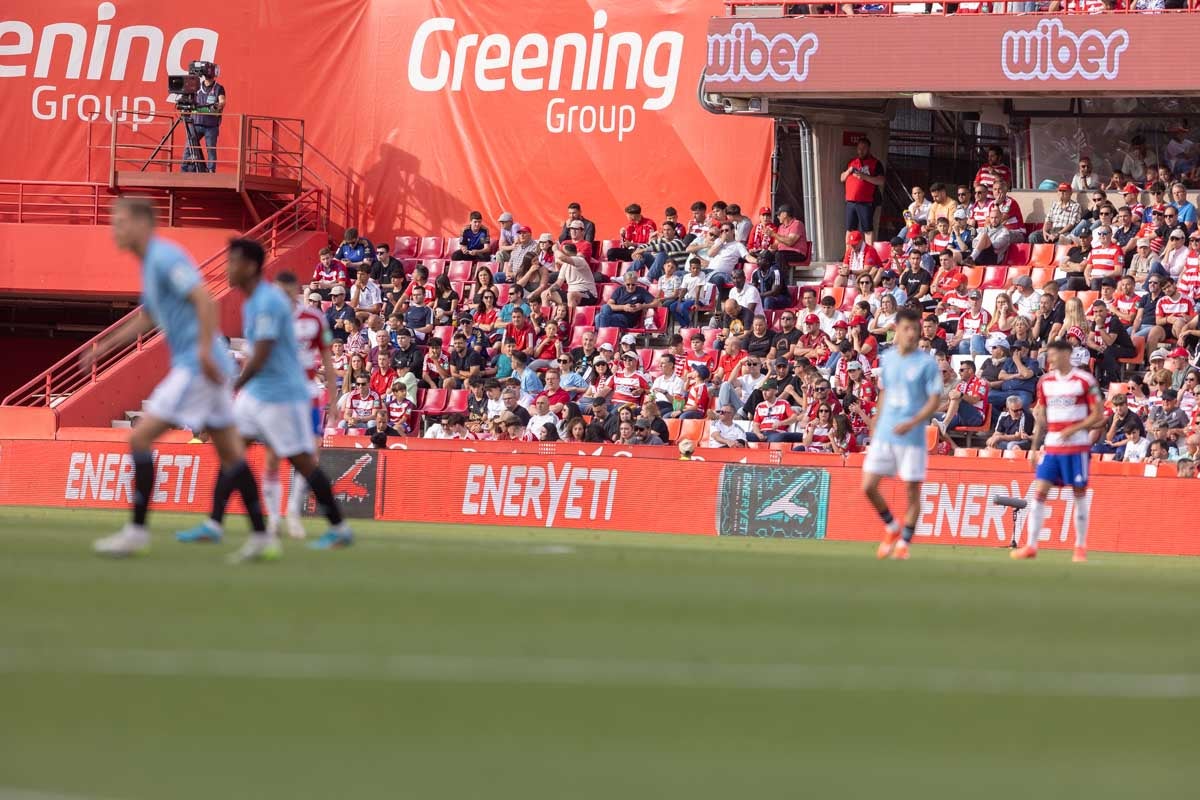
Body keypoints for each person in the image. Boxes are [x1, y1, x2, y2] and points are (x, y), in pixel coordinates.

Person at [86, 200, 262, 556]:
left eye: (119, 222)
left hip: (198, 366)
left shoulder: (164, 258)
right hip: (206, 366)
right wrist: (105, 345)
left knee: (140, 437)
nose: (114, 230)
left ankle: (136, 531)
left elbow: (206, 302)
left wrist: (200, 353)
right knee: (230, 454)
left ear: (140, 223)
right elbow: (148, 316)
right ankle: (261, 534)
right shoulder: (151, 265)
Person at [173, 238, 353, 561]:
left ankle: (338, 527)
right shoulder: (254, 302)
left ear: (251, 267)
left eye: (233, 262)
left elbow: (263, 355)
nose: (227, 268)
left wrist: (232, 387)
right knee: (232, 452)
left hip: (279, 396)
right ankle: (222, 524)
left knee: (301, 461)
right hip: (258, 394)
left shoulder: (267, 303)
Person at [1012, 339, 1105, 563]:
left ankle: (1080, 547)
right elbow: (1041, 416)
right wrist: (1035, 447)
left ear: (1067, 354)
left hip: (1077, 446)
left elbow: (1098, 415)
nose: (1050, 358)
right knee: (1039, 492)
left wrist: (1074, 428)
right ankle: (1031, 545)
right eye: (1049, 354)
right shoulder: (1045, 382)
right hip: (1052, 445)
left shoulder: (1084, 380)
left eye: (1054, 354)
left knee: (1079, 494)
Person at [865, 308, 944, 561]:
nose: (911, 333)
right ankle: (891, 527)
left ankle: (904, 543)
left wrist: (914, 422)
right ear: (896, 330)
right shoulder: (888, 359)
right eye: (906, 328)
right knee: (868, 486)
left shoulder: (927, 363)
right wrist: (876, 419)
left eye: (915, 328)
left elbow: (934, 400)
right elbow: (885, 392)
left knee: (912, 492)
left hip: (912, 438)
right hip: (886, 433)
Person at [841, 137, 885, 243]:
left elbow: (881, 180)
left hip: (866, 202)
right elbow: (842, 178)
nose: (861, 151)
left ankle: (869, 253)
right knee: (850, 229)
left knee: (867, 229)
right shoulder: (852, 162)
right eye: (859, 148)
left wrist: (864, 177)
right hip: (851, 201)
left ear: (868, 149)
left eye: (864, 148)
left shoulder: (875, 163)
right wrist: (849, 171)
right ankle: (848, 255)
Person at [185, 66, 225, 174]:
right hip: (196, 123)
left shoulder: (218, 88)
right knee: (190, 146)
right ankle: (186, 169)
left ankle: (211, 170)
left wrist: (218, 106)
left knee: (210, 149)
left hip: (211, 125)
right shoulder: (196, 86)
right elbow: (189, 99)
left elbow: (222, 101)